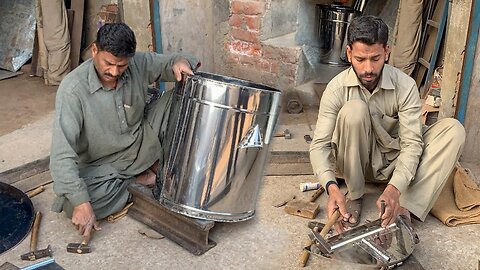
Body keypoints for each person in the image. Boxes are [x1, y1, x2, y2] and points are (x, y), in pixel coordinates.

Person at [309, 15, 465, 233]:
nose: (368, 69)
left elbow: (412, 144)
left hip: (394, 164)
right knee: (354, 110)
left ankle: (405, 206)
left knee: (453, 130)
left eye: (376, 58)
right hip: (356, 166)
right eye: (360, 59)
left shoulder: (405, 85)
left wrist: (395, 188)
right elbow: (319, 145)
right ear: (348, 53)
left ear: (387, 52)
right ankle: (355, 194)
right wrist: (331, 186)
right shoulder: (336, 88)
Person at [49, 23, 199, 238]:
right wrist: (81, 202)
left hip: (141, 141)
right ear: (94, 50)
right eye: (108, 63)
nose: (114, 72)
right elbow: (62, 154)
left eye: (122, 66)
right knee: (72, 204)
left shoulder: (137, 62)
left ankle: (145, 174)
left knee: (183, 91)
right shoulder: (72, 89)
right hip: (103, 165)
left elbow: (175, 61)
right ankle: (139, 178)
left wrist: (180, 63)